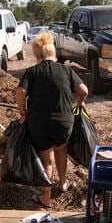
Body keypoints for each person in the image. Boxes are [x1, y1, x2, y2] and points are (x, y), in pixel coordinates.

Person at [16, 32, 89, 208]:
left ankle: (45, 198)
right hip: (64, 121)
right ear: (53, 52)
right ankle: (62, 184)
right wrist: (78, 104)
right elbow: (84, 91)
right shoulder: (66, 70)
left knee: (46, 159)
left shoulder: (32, 72)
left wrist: (23, 113)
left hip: (39, 122)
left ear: (37, 54)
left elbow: (20, 92)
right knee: (61, 151)